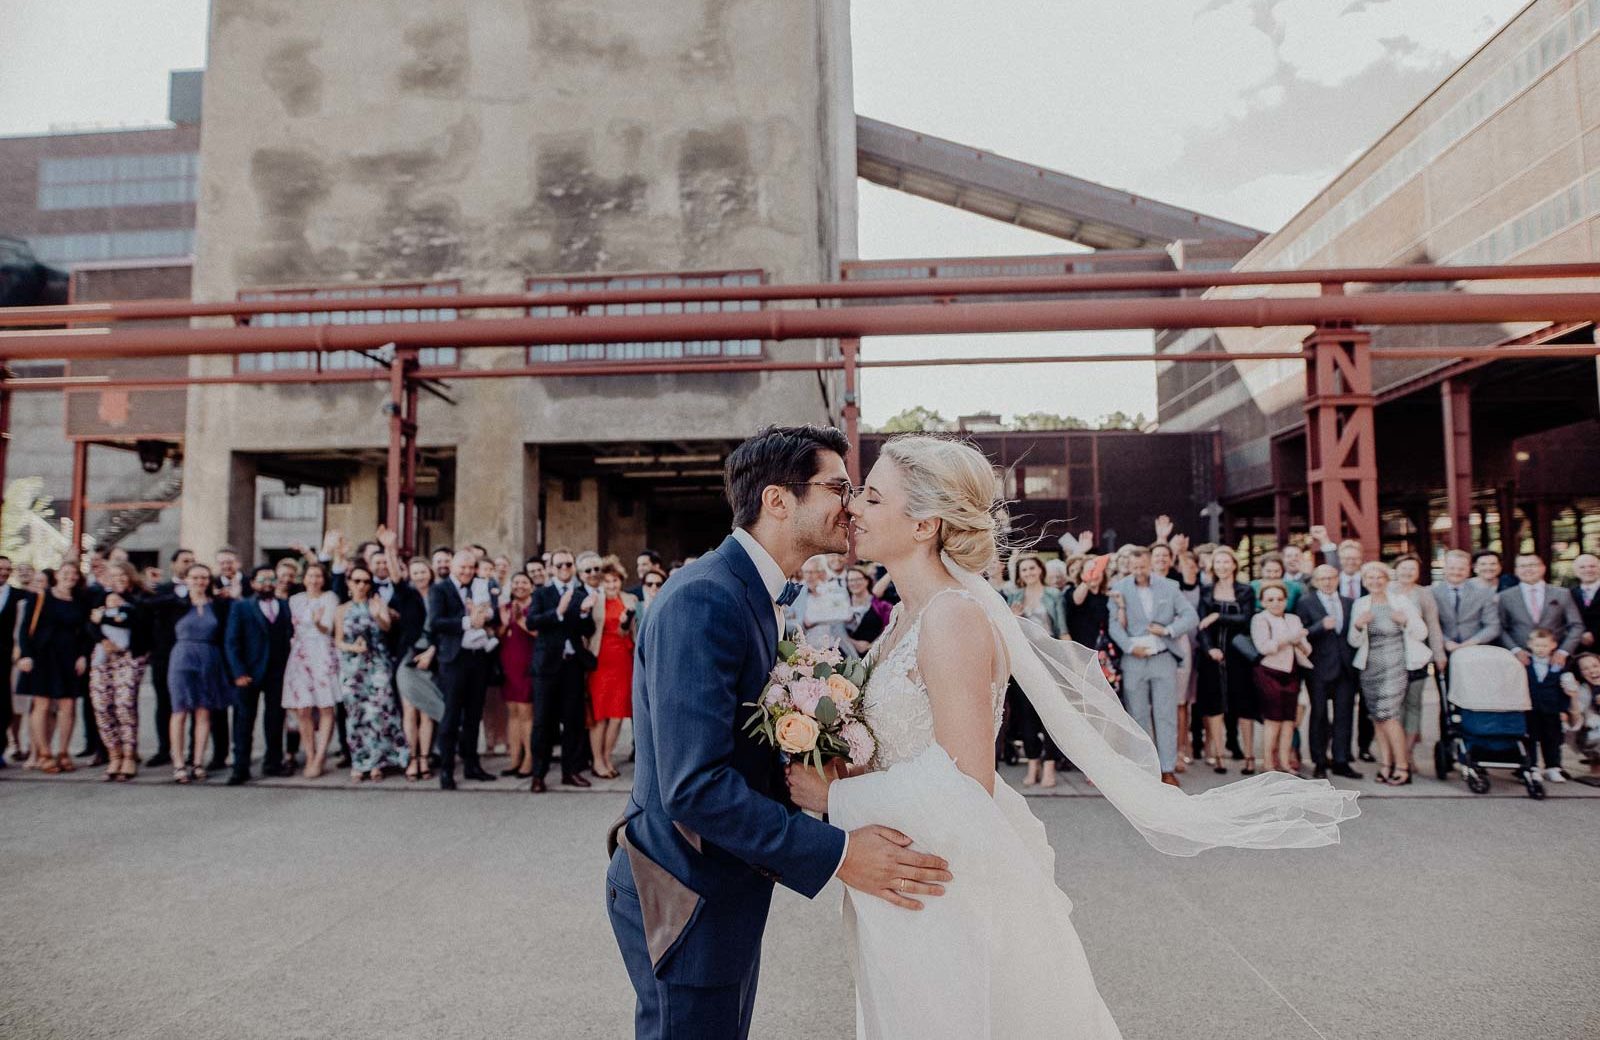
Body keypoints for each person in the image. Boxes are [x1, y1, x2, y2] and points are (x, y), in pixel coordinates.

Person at [782, 433, 1357, 1040]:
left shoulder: (952, 618)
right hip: (905, 857)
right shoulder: (906, 615)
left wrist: (836, 799)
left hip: (944, 869)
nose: (853, 508)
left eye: (872, 497)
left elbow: (964, 777)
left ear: (924, 524)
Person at [607, 424, 940, 1040]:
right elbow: (694, 786)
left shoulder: (751, 593)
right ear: (778, 500)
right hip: (683, 889)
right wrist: (839, 855)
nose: (852, 503)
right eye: (838, 486)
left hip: (721, 881)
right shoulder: (704, 598)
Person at [1109, 545, 1199, 787]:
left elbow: (1191, 616)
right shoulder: (1119, 589)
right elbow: (1114, 626)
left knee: (1166, 714)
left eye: (1143, 566)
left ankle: (1167, 768)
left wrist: (1168, 630)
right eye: (1135, 566)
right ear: (1129, 566)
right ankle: (1144, 769)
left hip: (1162, 657)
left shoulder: (1170, 587)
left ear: (1151, 564)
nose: (1139, 570)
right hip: (1134, 659)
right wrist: (1129, 647)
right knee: (1137, 715)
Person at [1349, 562, 1429, 786]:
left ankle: (1402, 766)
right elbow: (1353, 641)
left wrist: (1406, 622)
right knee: (1377, 717)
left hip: (1394, 665)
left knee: (1390, 716)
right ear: (1364, 582)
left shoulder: (1401, 602)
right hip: (1370, 667)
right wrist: (1357, 625)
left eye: (1379, 578)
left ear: (1387, 580)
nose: (1375, 582)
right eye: (1370, 578)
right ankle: (1386, 764)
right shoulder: (1361, 604)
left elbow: (1422, 632)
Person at [427, 549, 500, 789]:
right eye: (463, 568)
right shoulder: (440, 589)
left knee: (473, 714)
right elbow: (436, 622)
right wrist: (468, 621)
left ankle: (472, 765)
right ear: (453, 567)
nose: (467, 572)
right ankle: (447, 769)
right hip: (453, 660)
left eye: (471, 567)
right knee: (451, 716)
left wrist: (487, 614)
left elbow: (494, 616)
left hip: (478, 658)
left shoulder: (481, 586)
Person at [527, 548, 595, 792]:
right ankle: (538, 774)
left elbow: (587, 630)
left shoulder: (579, 594)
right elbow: (531, 621)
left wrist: (585, 613)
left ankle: (570, 771)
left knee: (573, 721)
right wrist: (558, 612)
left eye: (568, 564)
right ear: (551, 569)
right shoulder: (543, 593)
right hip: (547, 666)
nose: (564, 568)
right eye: (560, 565)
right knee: (543, 722)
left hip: (572, 665)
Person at [334, 564, 408, 783]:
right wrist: (353, 648)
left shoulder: (377, 603)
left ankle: (377, 762)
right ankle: (359, 761)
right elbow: (338, 640)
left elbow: (386, 628)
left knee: (379, 713)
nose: (361, 585)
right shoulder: (342, 609)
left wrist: (377, 615)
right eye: (357, 581)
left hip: (377, 664)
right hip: (352, 666)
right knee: (355, 715)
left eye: (366, 581)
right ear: (349, 583)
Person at [17, 563, 91, 775]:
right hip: (43, 655)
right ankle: (44, 753)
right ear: (57, 575)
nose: (70, 576)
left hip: (69, 657)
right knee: (42, 704)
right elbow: (25, 629)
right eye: (66, 573)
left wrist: (82, 655)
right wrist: (26, 654)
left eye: (74, 574)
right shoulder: (41, 596)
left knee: (68, 705)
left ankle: (64, 752)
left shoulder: (79, 600)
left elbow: (85, 632)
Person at [223, 566, 293, 785]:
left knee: (274, 718)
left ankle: (273, 762)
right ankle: (240, 767)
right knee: (244, 720)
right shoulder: (241, 607)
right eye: (262, 579)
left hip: (277, 671)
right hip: (249, 672)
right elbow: (232, 642)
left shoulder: (285, 606)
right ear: (252, 583)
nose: (268, 583)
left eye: (271, 579)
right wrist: (239, 672)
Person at [164, 563, 232, 784]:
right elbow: (147, 604)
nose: (200, 582)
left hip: (209, 656)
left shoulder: (218, 605)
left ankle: (198, 761)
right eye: (195, 577)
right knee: (180, 711)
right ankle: (178, 763)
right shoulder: (176, 604)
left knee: (204, 711)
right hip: (182, 657)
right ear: (187, 580)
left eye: (204, 578)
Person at [1008, 553, 1070, 786]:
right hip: (1024, 662)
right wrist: (1013, 617)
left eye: (1032, 568)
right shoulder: (1014, 596)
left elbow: (1062, 629)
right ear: (1020, 575)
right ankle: (1033, 762)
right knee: (1026, 716)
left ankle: (1050, 765)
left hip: (1048, 660)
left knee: (1051, 715)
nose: (1029, 573)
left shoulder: (1054, 595)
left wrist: (1070, 660)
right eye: (1024, 570)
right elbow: (1005, 630)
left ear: (1040, 570)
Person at [1296, 564, 1362, 779]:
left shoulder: (1350, 603)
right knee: (1319, 715)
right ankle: (1320, 761)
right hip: (1318, 668)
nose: (1327, 582)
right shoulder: (1306, 603)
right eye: (1322, 578)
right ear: (1315, 581)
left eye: (1331, 578)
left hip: (1346, 668)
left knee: (1344, 715)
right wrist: (1320, 626)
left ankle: (1341, 760)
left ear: (1337, 580)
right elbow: (1301, 634)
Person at [86, 561, 151, 782]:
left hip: (131, 656)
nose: (118, 580)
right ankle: (114, 753)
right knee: (102, 705)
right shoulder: (100, 596)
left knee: (124, 704)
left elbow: (139, 621)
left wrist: (103, 617)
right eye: (113, 576)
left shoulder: (140, 597)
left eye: (122, 575)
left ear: (131, 576)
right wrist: (103, 640)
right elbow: (89, 623)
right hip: (104, 656)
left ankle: (129, 755)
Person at [1195, 546, 1257, 774]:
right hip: (1213, 655)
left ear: (1234, 564)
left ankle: (1250, 757)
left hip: (1238, 653)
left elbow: (1247, 620)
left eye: (1226, 562)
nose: (1222, 566)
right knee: (1215, 705)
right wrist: (1209, 649)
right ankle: (1219, 755)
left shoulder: (1245, 590)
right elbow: (1201, 627)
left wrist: (1219, 616)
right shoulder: (1206, 591)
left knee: (1243, 705)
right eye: (1217, 562)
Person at [283, 562, 341, 778]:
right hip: (300, 654)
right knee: (303, 708)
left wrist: (317, 623)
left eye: (318, 576)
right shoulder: (295, 600)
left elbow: (327, 628)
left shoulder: (329, 598)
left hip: (322, 651)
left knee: (326, 707)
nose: (314, 580)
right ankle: (309, 753)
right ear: (304, 578)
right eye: (310, 575)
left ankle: (320, 756)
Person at [1390, 553, 1447, 770]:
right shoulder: (1387, 591)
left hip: (1417, 658)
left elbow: (1433, 626)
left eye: (1412, 569)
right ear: (1396, 569)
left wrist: (1439, 654)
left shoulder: (1424, 594)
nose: (1407, 573)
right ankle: (1396, 752)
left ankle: (1407, 753)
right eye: (1404, 568)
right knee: (1396, 707)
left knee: (1414, 706)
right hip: (1392, 657)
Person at [1250, 581, 1311, 775]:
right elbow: (1264, 647)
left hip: (1292, 672)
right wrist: (1290, 638)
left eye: (1280, 599)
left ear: (1286, 600)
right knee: (1273, 720)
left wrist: (1299, 642)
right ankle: (1269, 763)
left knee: (1288, 720)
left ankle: (1284, 763)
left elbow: (1307, 649)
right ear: (1262, 602)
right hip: (1269, 672)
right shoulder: (1260, 619)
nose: (1276, 602)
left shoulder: (1293, 618)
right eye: (1271, 599)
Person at [586, 557, 636, 780]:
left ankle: (607, 757)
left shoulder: (630, 600)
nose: (611, 585)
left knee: (617, 715)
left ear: (621, 581)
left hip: (623, 660)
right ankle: (597, 761)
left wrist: (626, 622)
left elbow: (632, 633)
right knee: (600, 715)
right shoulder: (593, 600)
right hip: (600, 660)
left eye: (615, 581)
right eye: (607, 581)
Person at [145, 547, 196, 768]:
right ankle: (165, 749)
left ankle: (195, 752)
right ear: (173, 564)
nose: (189, 564)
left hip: (194, 654)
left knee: (197, 703)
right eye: (185, 561)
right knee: (164, 702)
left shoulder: (202, 586)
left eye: (193, 561)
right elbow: (147, 610)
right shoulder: (161, 590)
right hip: (164, 654)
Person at [394, 555, 440, 781]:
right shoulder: (407, 595)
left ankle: (425, 757)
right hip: (408, 657)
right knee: (410, 710)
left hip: (432, 657)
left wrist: (432, 651)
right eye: (415, 573)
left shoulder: (440, 594)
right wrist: (390, 548)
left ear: (430, 573)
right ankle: (412, 758)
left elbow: (445, 628)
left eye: (423, 571)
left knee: (427, 711)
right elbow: (395, 578)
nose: (420, 576)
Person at [1497, 553, 1583, 666]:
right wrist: (1515, 650)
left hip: (1556, 659)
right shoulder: (1505, 596)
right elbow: (1500, 627)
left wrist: (1563, 652)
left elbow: (1577, 625)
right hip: (1520, 659)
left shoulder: (1562, 593)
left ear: (1543, 568)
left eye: (1532, 565)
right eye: (1522, 566)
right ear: (1516, 570)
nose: (1528, 569)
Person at [497, 572, 538, 779]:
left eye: (524, 582)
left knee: (526, 714)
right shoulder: (505, 608)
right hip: (508, 667)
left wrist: (521, 619)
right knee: (512, 713)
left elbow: (537, 633)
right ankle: (514, 759)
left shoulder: (535, 606)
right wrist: (504, 624)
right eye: (516, 582)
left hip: (528, 666)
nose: (519, 586)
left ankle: (529, 759)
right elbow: (498, 635)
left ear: (531, 586)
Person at [1431, 548, 1501, 666]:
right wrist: (1446, 642)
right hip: (1444, 653)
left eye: (1461, 568)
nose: (1456, 572)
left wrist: (1471, 643)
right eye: (1452, 568)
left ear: (1469, 569)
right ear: (1445, 568)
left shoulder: (1484, 593)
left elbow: (1493, 626)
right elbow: (1430, 624)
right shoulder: (1432, 593)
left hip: (1477, 651)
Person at [843, 564, 890, 657]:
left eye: (858, 579)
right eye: (850, 580)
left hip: (874, 655)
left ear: (867, 580)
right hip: (845, 655)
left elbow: (889, 630)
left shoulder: (882, 606)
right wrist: (854, 643)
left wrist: (871, 646)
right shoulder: (841, 606)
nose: (854, 583)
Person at [1570, 651, 1600, 777]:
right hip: (1592, 733)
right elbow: (1576, 722)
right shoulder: (1582, 691)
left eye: (1595, 666)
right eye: (1585, 669)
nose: (1592, 671)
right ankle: (1596, 769)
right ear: (1581, 673)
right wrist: (1573, 697)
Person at [1570, 552, 1600, 651]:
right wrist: (1580, 634)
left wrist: (1593, 634)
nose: (1588, 570)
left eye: (1592, 566)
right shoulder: (1568, 593)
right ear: (1575, 571)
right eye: (1582, 567)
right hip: (1578, 650)